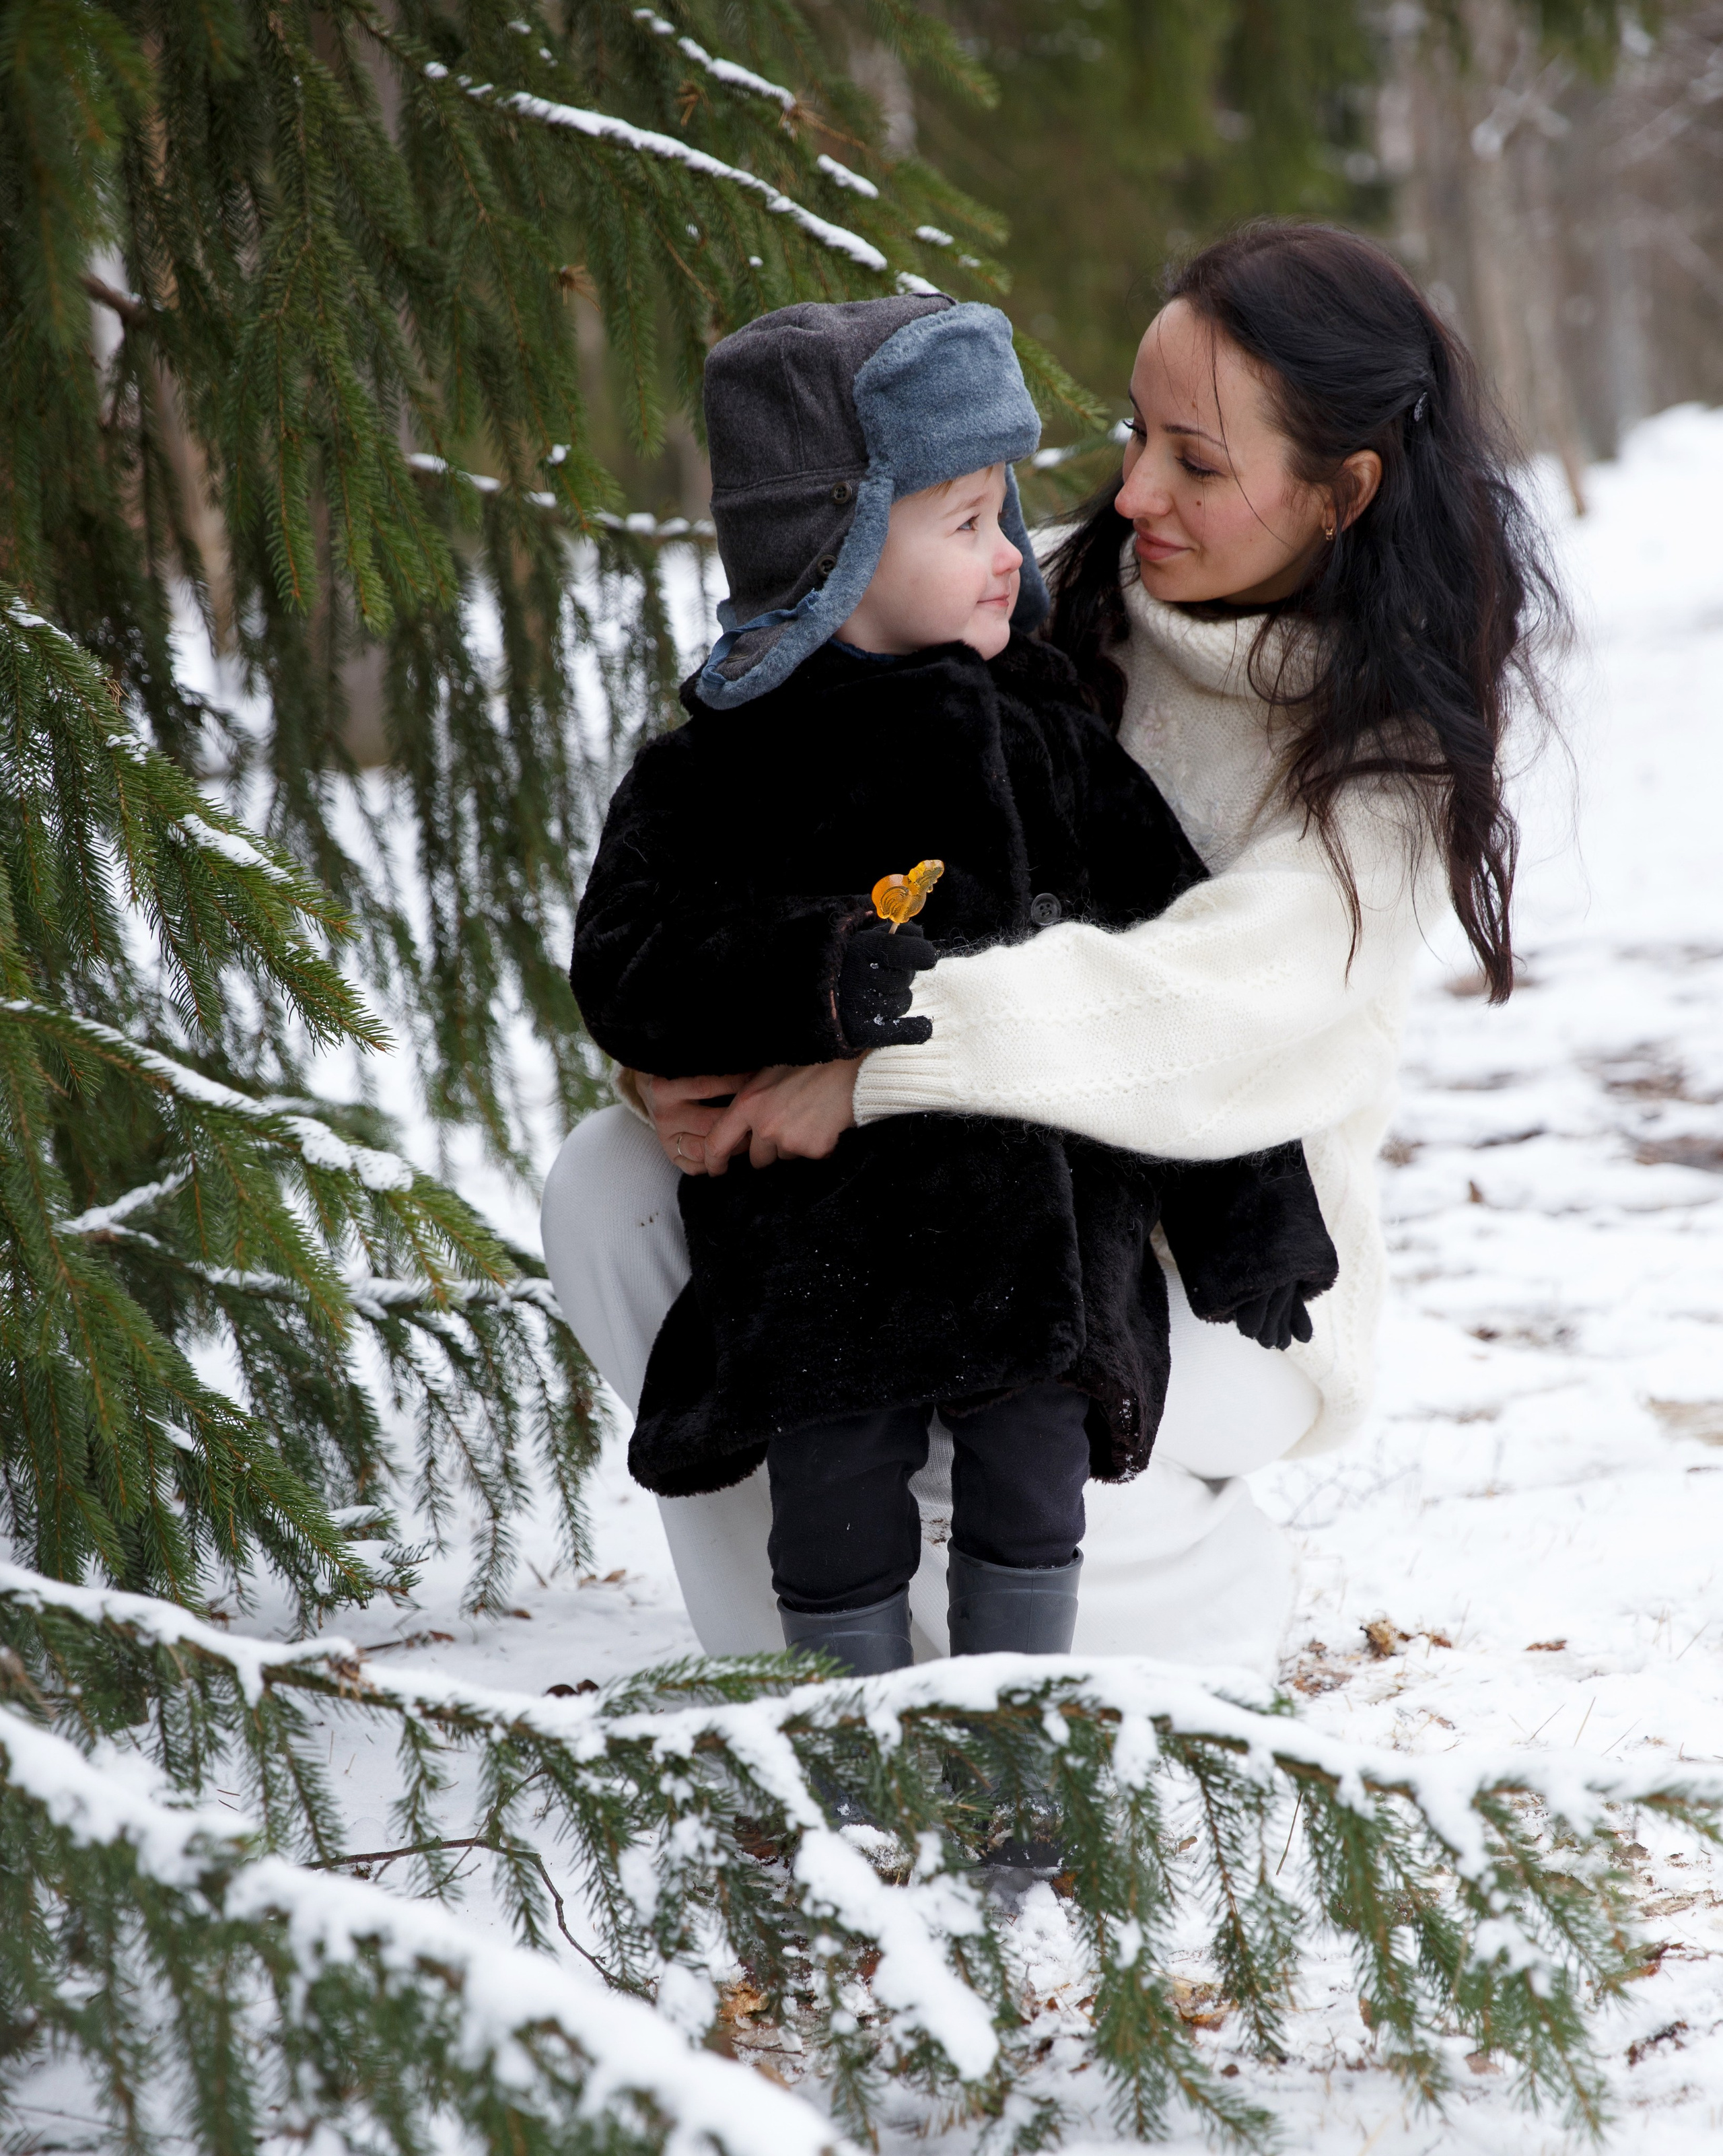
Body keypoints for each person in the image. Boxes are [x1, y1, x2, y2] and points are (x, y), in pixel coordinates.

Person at [542, 223, 1561, 1675]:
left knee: (988, 1408)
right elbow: (768, 816)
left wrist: (875, 1071)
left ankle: (1162, 1622)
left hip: (1213, 1265)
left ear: (1340, 495)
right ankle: (790, 1693)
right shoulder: (1018, 588)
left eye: (1195, 462)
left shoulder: (1383, 763)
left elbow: (1200, 1006)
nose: (1130, 491)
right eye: (1134, 434)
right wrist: (700, 1058)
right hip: (903, 1199)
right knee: (617, 1190)